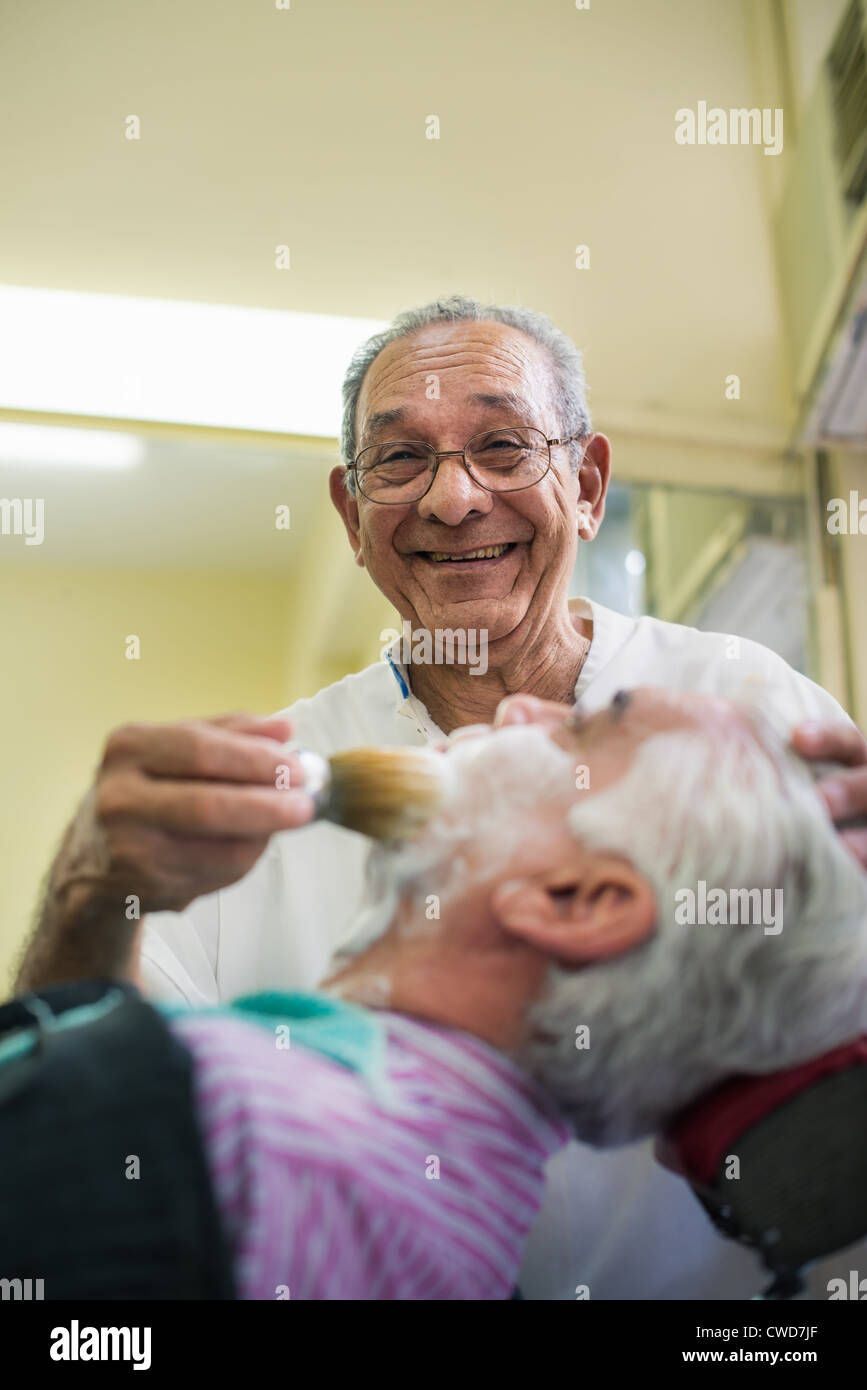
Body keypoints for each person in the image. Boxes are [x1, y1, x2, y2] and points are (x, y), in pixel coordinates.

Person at [18, 296, 867, 1300]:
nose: (455, 498)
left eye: (503, 446)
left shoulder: (752, 705)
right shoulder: (263, 787)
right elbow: (92, 1093)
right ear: (349, 511)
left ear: (587, 483)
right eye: (401, 460)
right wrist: (91, 887)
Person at [9, 689, 867, 1299]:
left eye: (580, 732)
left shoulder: (223, 1129)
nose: (519, 708)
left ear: (573, 902)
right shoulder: (466, 1240)